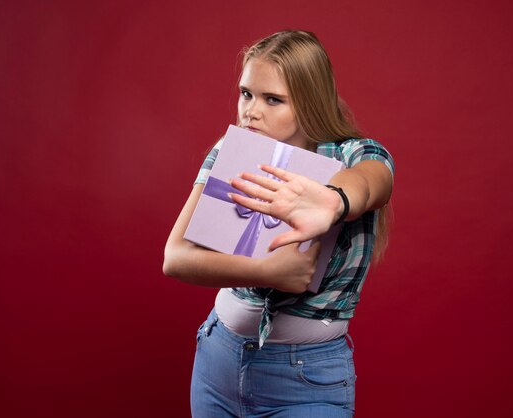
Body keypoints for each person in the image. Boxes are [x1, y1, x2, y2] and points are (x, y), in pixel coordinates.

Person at [163, 30, 394, 417]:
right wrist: (268, 270)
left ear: (309, 101)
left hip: (307, 381)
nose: (251, 110)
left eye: (273, 99)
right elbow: (175, 257)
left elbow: (373, 181)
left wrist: (334, 201)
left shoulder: (353, 155)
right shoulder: (230, 150)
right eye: (246, 93)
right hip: (217, 361)